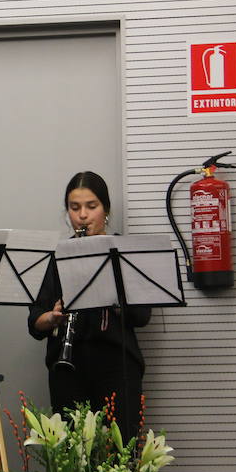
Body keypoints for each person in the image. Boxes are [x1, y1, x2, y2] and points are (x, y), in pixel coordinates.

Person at [28, 171, 151, 435]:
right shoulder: (58, 256)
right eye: (75, 208)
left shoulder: (124, 253)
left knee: (122, 457)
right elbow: (35, 323)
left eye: (91, 207)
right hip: (68, 370)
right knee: (73, 457)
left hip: (117, 367)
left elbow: (141, 316)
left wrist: (112, 296)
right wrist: (53, 316)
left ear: (105, 209)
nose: (82, 215)